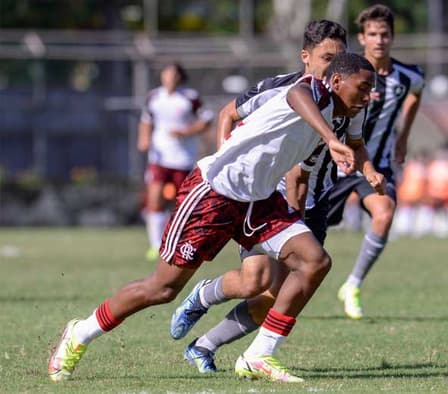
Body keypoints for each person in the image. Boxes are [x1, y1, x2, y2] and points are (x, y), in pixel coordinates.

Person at [48, 52, 379, 383]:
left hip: (259, 199)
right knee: (162, 289)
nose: (367, 97)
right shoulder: (311, 89)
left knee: (314, 261)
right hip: (214, 192)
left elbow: (356, 143)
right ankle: (81, 332)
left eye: (371, 90)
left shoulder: (345, 113)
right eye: (362, 88)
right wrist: (332, 141)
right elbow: (297, 95)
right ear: (336, 80)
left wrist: (369, 171)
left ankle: (258, 355)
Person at [167, 20, 380, 375]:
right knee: (260, 280)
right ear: (306, 57)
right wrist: (229, 170)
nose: (335, 68)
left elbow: (355, 143)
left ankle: (205, 345)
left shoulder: (351, 98)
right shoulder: (282, 90)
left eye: (340, 59)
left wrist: (369, 169)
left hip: (313, 201)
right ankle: (204, 299)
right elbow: (228, 114)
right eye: (327, 58)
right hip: (264, 196)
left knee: (273, 292)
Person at [327, 4, 425, 319]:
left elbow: (417, 94)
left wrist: (403, 136)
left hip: (377, 164)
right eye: (372, 34)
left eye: (384, 34)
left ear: (392, 38)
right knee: (311, 233)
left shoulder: (409, 76)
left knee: (385, 212)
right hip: (337, 164)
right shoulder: (346, 75)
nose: (379, 40)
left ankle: (353, 284)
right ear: (362, 37)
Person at [137, 63, 213, 261]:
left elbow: (206, 120)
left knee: (182, 203)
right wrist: (144, 139)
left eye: (173, 74)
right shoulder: (154, 97)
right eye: (166, 73)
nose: (169, 77)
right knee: (155, 198)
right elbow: (146, 120)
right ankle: (155, 245)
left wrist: (186, 132)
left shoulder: (190, 97)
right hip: (159, 157)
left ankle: (183, 242)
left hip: (183, 158)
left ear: (180, 77)